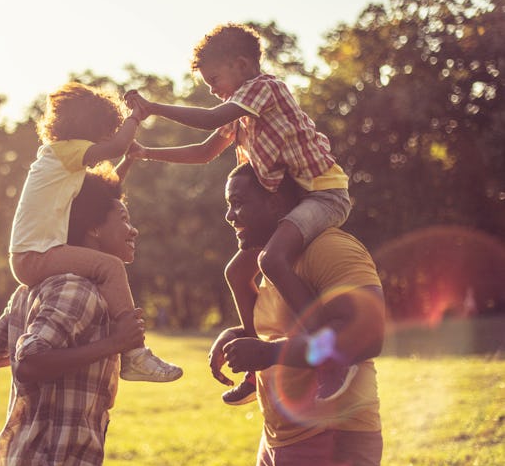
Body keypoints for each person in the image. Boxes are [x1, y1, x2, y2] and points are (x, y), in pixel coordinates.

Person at [124, 22, 353, 403]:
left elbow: (211, 118)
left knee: (273, 259)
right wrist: (148, 153)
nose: (212, 90)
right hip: (293, 203)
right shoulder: (241, 112)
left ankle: (328, 355)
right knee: (236, 271)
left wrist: (153, 108)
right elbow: (204, 151)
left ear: (243, 65)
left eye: (214, 79)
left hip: (323, 196)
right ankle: (254, 357)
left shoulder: (264, 89)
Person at [209, 162, 384, 466]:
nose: (230, 216)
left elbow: (366, 336)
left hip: (332, 439)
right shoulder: (273, 262)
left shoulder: (330, 248)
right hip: (277, 444)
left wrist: (269, 353)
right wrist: (240, 336)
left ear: (274, 204)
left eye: (239, 202)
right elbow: (284, 330)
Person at [0, 165, 149, 466]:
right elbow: (28, 364)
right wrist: (113, 343)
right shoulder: (77, 290)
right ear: (94, 230)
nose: (134, 230)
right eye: (124, 220)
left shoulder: (33, 289)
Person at [9, 82, 181, 383]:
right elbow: (115, 147)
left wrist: (129, 159)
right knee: (110, 266)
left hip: (32, 254)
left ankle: (132, 354)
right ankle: (135, 355)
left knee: (104, 268)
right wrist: (135, 118)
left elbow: (105, 190)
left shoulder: (61, 161)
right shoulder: (65, 151)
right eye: (105, 131)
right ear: (89, 126)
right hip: (36, 254)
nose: (107, 139)